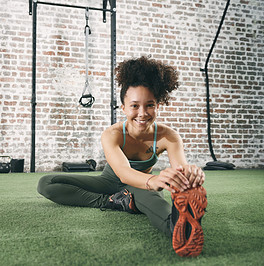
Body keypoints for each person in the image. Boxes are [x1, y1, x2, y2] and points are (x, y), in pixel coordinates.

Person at [37, 56, 207, 257]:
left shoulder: (168, 137)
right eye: (135, 106)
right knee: (47, 183)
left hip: (141, 186)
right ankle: (113, 202)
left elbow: (181, 169)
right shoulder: (112, 134)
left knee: (158, 208)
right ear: (124, 107)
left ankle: (182, 230)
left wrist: (190, 175)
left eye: (149, 105)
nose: (142, 113)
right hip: (110, 182)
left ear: (157, 105)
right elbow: (124, 173)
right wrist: (155, 180)